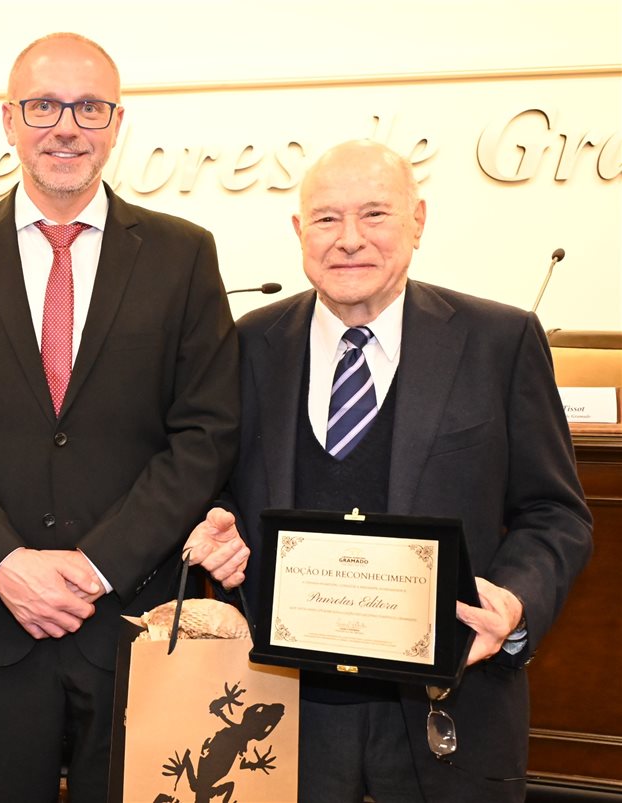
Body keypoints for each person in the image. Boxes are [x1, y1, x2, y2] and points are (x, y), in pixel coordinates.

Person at [0, 32, 239, 803]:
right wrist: (6, 562)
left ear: (117, 124)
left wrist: (94, 566)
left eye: (89, 106)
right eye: (44, 105)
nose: (66, 126)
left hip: (133, 623)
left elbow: (205, 432)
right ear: (8, 120)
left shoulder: (183, 255)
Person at [185, 139, 593, 803]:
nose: (349, 239)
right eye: (325, 219)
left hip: (450, 710)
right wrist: (215, 527)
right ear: (298, 231)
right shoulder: (247, 344)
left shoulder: (501, 341)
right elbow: (217, 485)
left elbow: (556, 512)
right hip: (284, 714)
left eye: (375, 214)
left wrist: (514, 600)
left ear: (418, 221)